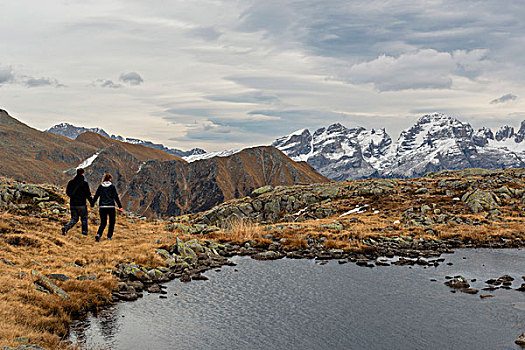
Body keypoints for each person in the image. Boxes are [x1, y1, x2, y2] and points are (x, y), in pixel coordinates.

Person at [62, 168, 93, 236]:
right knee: (84, 219)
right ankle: (84, 233)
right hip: (82, 204)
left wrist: (72, 197)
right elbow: (88, 194)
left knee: (74, 219)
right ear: (83, 174)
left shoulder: (71, 182)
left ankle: (66, 228)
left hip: (73, 204)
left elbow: (67, 192)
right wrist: (91, 203)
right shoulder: (84, 184)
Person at [92, 173, 123, 241]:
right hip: (111, 207)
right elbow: (116, 197)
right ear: (110, 179)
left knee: (103, 222)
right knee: (112, 222)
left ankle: (99, 234)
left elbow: (96, 195)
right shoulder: (112, 187)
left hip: (102, 207)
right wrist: (120, 206)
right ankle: (109, 236)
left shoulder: (100, 187)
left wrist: (92, 203)